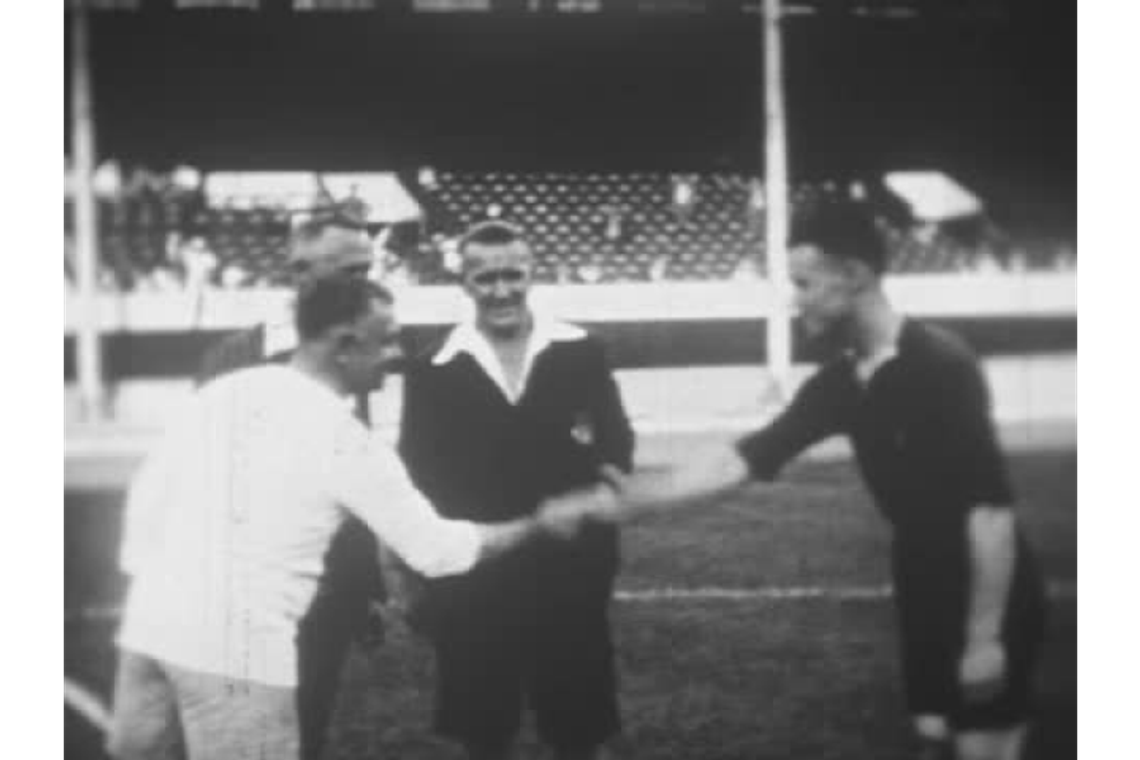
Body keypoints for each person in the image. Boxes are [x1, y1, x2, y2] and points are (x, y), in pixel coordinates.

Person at [595, 201, 1047, 760]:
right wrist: (645, 497)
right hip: (921, 578)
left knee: (982, 749)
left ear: (853, 276)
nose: (796, 297)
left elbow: (991, 513)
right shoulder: (843, 381)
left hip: (986, 590)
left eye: (804, 282)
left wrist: (984, 639)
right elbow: (751, 455)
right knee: (932, 741)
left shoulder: (941, 366)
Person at [107, 275, 609, 760]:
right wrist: (539, 524)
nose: (397, 356)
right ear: (345, 344)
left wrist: (151, 583)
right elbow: (439, 551)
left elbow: (148, 495)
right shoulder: (344, 439)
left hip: (149, 627)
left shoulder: (227, 389)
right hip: (238, 655)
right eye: (387, 340)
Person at [399, 220, 635, 760]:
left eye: (513, 274)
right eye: (486, 278)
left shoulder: (582, 351)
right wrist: (418, 571)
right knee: (483, 727)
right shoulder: (434, 367)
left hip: (573, 566)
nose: (501, 290)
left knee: (579, 724)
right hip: (478, 571)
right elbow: (418, 472)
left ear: (532, 274)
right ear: (464, 283)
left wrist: (605, 489)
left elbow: (617, 443)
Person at [192, 207, 398, 760]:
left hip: (328, 597)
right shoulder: (233, 360)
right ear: (299, 270)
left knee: (307, 732)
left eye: (367, 269)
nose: (366, 284)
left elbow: (346, 484)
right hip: (255, 598)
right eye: (350, 272)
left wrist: (365, 587)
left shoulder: (351, 353)